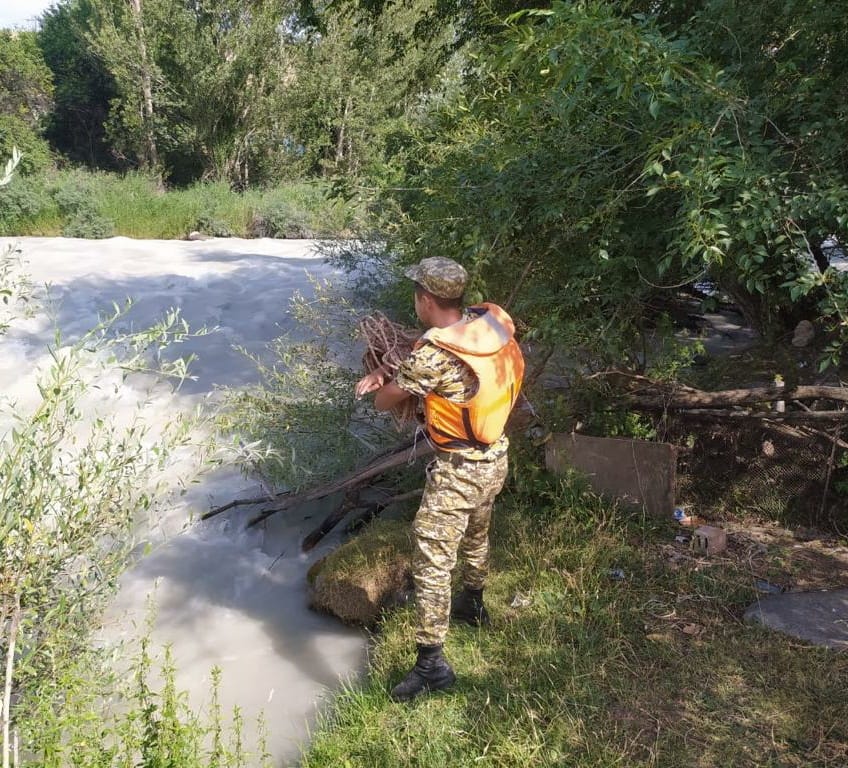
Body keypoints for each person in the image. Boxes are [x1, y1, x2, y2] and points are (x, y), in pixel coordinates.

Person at [355, 256, 525, 702]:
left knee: (431, 557)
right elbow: (430, 351)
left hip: (459, 471)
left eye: (416, 294)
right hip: (496, 456)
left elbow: (387, 402)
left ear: (425, 300)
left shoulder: (432, 356)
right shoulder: (486, 323)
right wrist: (391, 369)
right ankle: (473, 602)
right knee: (477, 533)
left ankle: (431, 665)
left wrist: (381, 381)